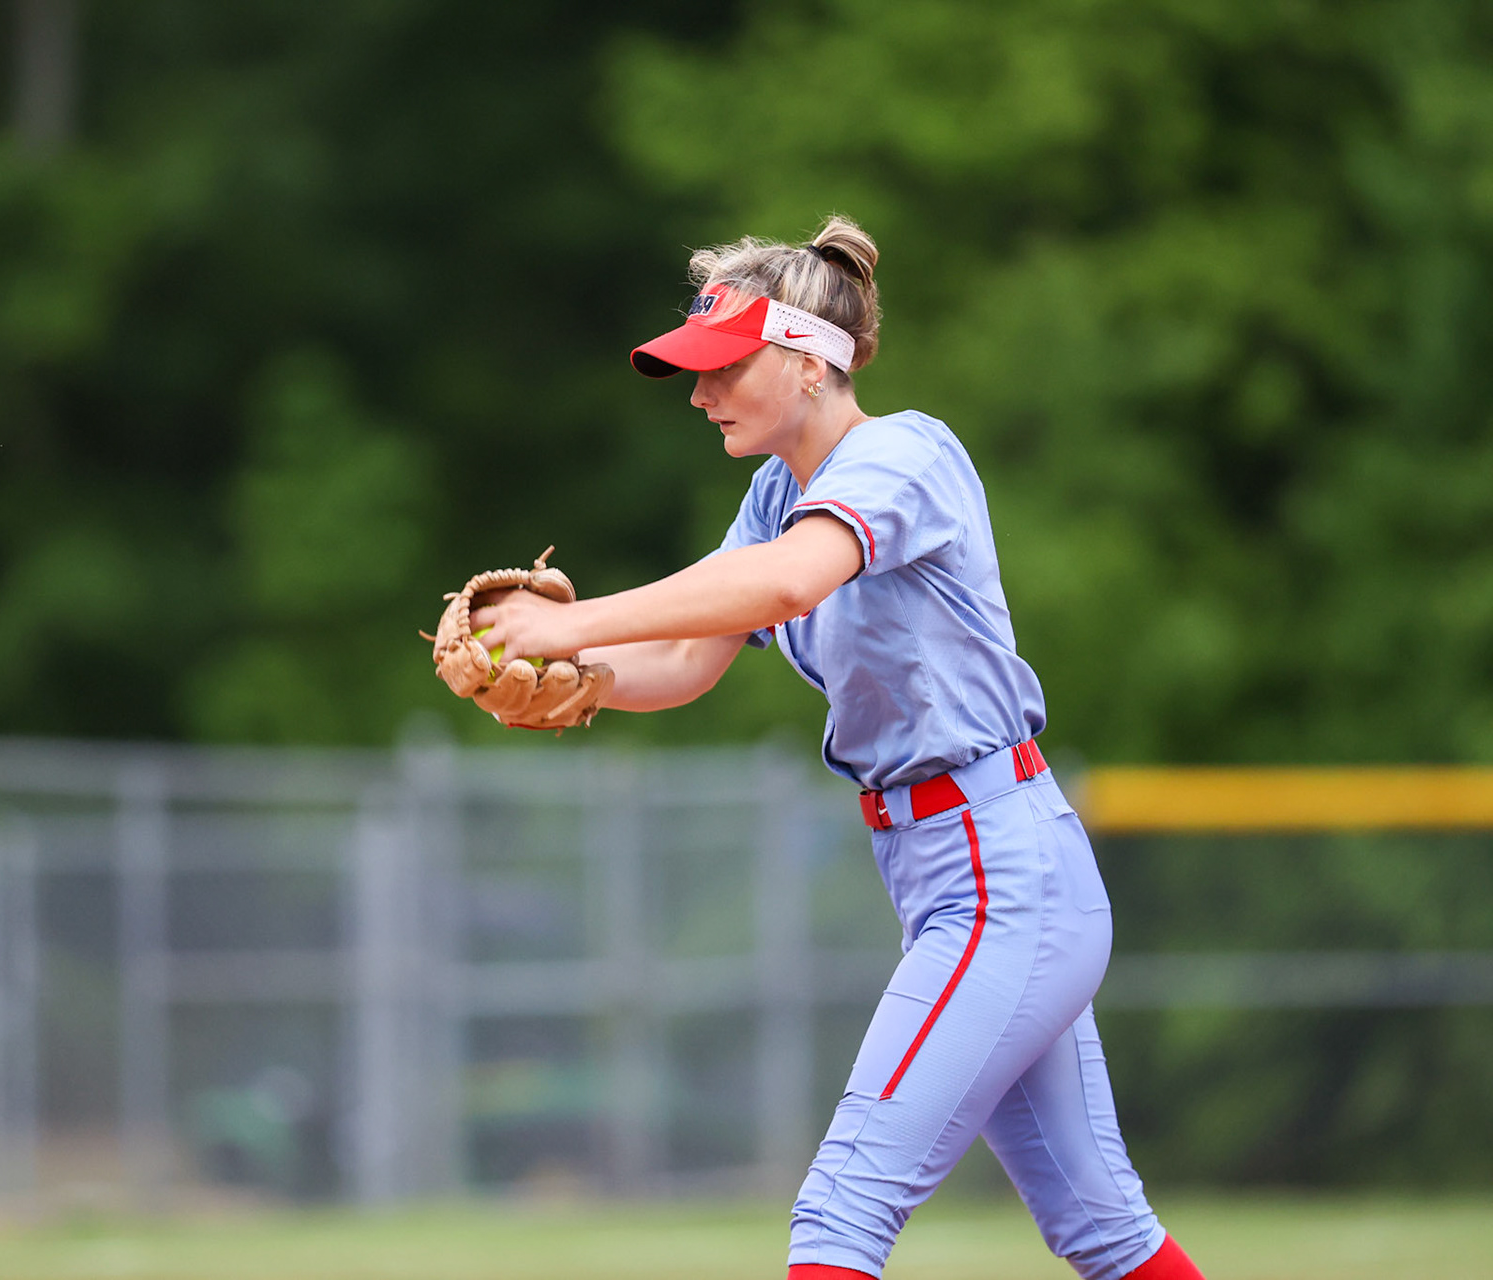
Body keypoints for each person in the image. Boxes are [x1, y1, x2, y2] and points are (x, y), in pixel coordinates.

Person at [470, 217, 1206, 1280]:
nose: (699, 391)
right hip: (953, 873)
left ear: (810, 360)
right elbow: (687, 656)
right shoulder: (775, 491)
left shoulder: (904, 452)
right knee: (1103, 1227)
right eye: (694, 369)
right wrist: (573, 687)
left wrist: (569, 628)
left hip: (1005, 870)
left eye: (723, 365)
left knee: (839, 1215)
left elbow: (787, 584)